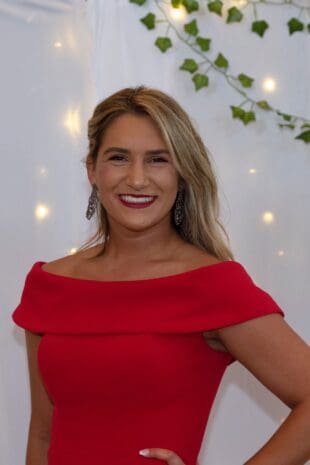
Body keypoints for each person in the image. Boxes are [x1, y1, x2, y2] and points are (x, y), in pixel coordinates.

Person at [12, 86, 310, 465]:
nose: (137, 179)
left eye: (157, 160)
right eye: (119, 158)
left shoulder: (212, 285)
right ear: (92, 169)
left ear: (182, 173)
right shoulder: (52, 285)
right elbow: (42, 434)